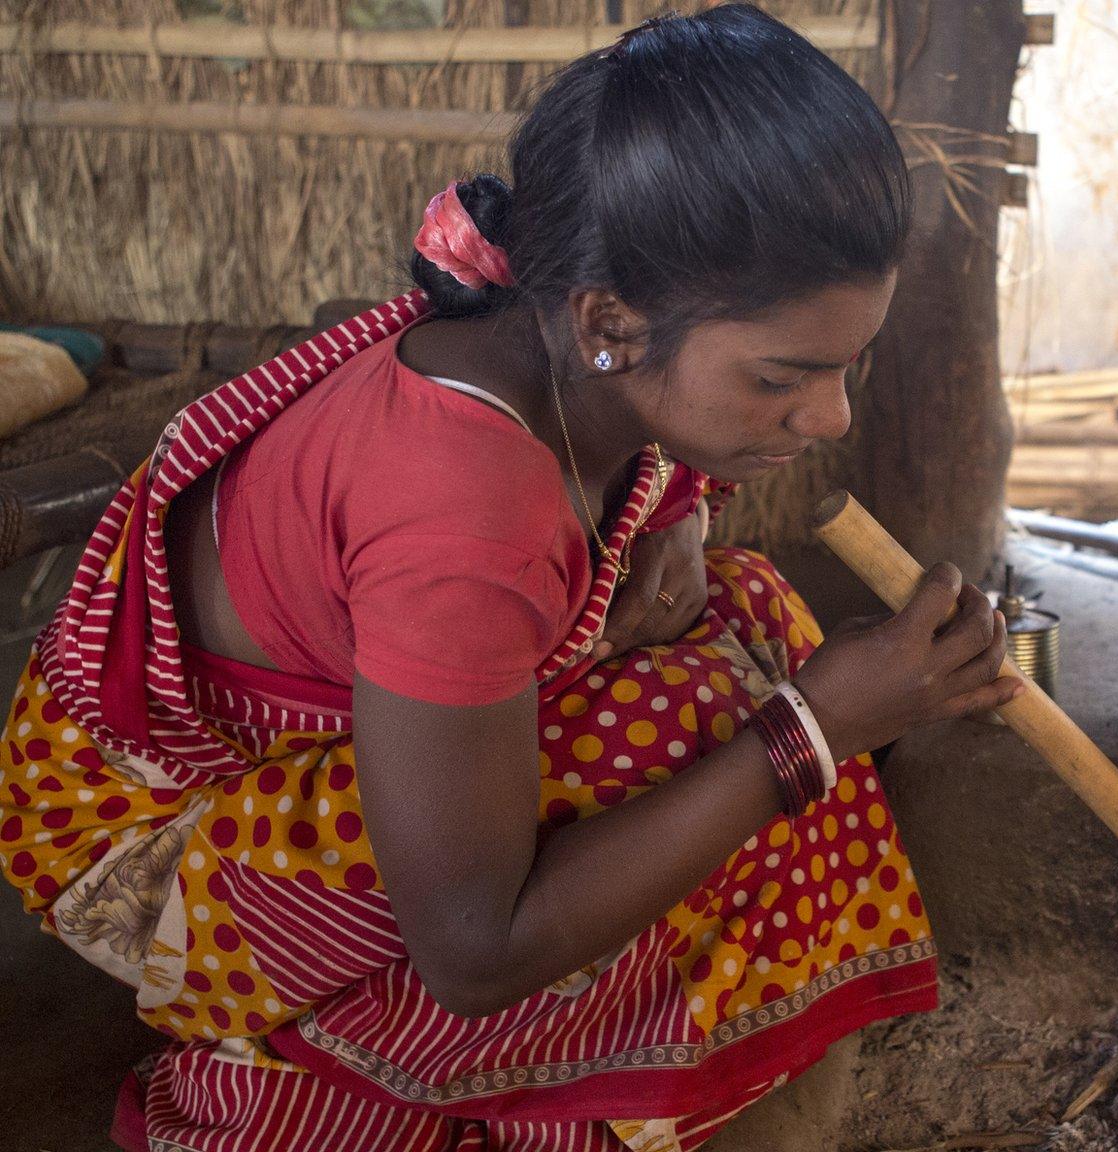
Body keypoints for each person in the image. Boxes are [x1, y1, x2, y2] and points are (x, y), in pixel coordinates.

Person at [0, 7, 1021, 1149]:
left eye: (849, 364)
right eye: (787, 374)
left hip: (316, 743)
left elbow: (648, 487)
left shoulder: (548, 348)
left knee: (750, 610)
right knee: (709, 721)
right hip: (150, 849)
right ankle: (335, 1066)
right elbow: (473, 948)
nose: (830, 417)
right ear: (609, 324)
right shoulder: (462, 516)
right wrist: (815, 729)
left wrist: (674, 513)